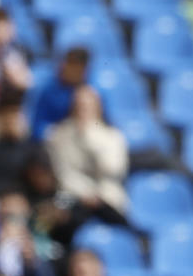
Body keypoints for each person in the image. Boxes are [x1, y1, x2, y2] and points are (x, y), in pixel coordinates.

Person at [44, 84, 130, 219]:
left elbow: (113, 170)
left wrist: (89, 136)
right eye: (79, 105)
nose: (83, 109)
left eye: (88, 105)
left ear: (98, 107)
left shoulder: (113, 136)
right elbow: (62, 172)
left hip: (106, 196)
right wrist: (85, 193)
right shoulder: (59, 134)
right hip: (72, 195)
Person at [27, 45, 89, 140]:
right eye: (71, 64)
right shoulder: (50, 91)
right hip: (57, 140)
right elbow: (37, 127)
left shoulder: (89, 91)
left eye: (78, 66)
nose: (74, 70)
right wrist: (57, 132)